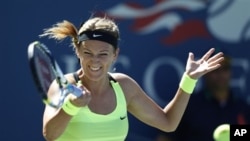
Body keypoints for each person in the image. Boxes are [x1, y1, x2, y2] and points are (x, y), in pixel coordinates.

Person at [40, 16, 224, 141]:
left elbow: (168, 123)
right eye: (87, 52)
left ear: (115, 55)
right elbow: (50, 134)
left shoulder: (124, 86)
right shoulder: (64, 86)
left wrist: (189, 79)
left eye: (103, 54)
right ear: (78, 51)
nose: (94, 60)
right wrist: (72, 106)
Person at [167, 48, 250, 141]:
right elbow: (166, 138)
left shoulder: (243, 108)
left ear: (230, 72)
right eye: (215, 69)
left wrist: (232, 134)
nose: (221, 74)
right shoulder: (188, 106)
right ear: (205, 72)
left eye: (225, 68)